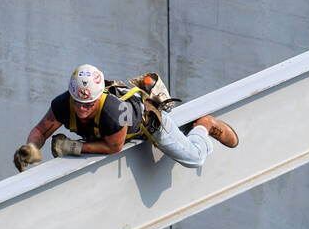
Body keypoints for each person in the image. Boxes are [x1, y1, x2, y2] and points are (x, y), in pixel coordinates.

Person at [13, 64, 238, 173]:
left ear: (98, 97)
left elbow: (114, 146)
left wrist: (73, 147)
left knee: (195, 159)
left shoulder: (113, 112)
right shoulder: (63, 104)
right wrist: (31, 147)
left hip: (149, 125)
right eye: (78, 103)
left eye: (88, 104)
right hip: (110, 132)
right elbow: (41, 131)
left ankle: (204, 125)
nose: (82, 109)